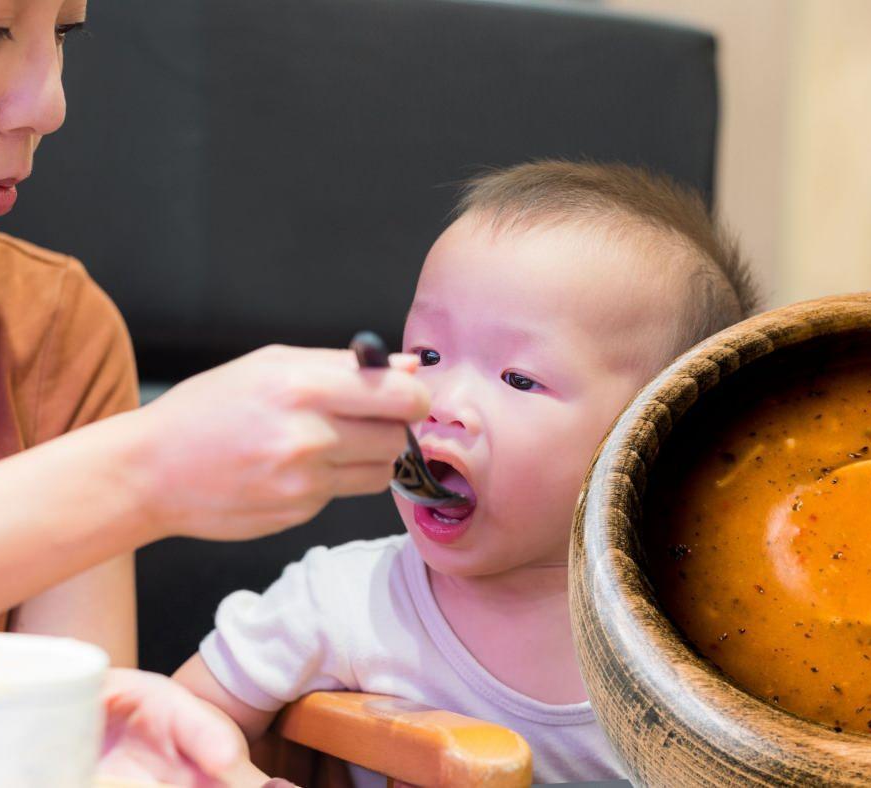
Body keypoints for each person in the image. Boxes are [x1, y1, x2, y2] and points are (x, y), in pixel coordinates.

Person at [0, 0, 427, 785]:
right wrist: (135, 473)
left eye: (64, 33)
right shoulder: (119, 458)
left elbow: (60, 760)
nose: (49, 105)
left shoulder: (49, 334)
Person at [174, 160, 760, 784]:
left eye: (518, 378)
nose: (443, 402)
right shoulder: (345, 600)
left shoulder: (705, 641)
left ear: (658, 437)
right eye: (427, 354)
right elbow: (176, 725)